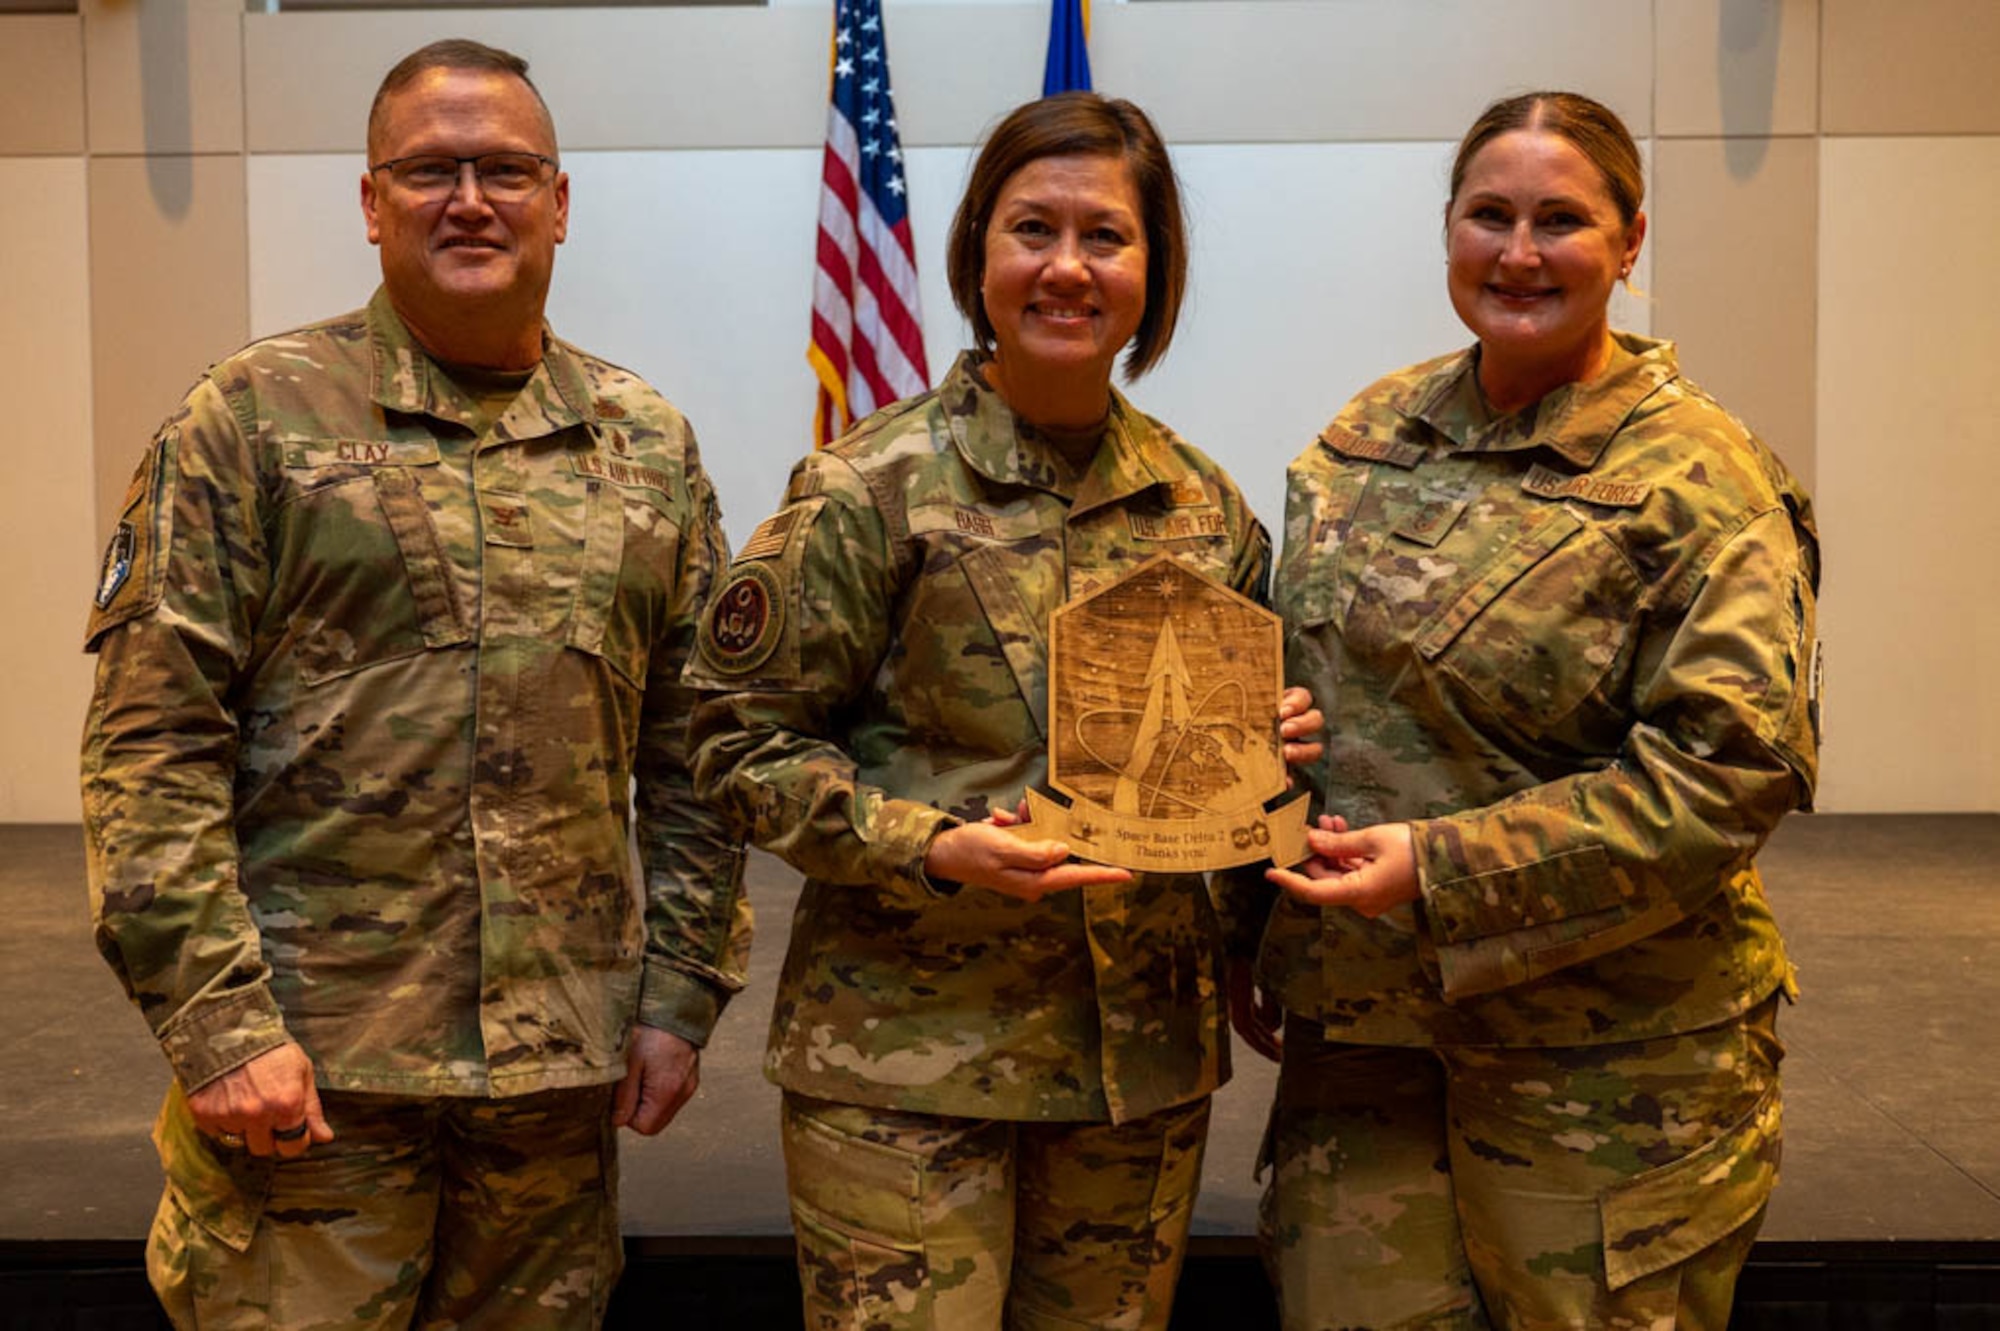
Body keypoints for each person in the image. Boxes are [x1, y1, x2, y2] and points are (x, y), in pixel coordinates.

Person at [80, 38, 748, 1329]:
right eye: (430, 169)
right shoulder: (250, 419)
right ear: (372, 201)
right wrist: (218, 1021)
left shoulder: (645, 443)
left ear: (559, 200)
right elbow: (151, 741)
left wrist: (678, 991)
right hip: (314, 1076)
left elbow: (695, 751)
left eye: (505, 168)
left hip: (554, 1082)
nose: (470, 198)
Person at [686, 92, 1320, 1331]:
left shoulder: (1204, 508)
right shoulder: (869, 486)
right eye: (1033, 229)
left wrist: (1267, 808)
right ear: (979, 253)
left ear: (1154, 269)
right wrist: (926, 845)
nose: (1067, 268)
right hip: (907, 1066)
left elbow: (1237, 793)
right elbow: (732, 739)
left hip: (1133, 1074)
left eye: (1107, 237)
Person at [1233, 89, 1822, 1330]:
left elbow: (1720, 779)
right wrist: (1250, 917)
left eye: (1560, 218)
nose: (1517, 251)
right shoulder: (1363, 437)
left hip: (1608, 1065)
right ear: (1445, 227)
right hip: (1366, 1049)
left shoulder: (1702, 481)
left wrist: (1437, 869)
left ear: (1628, 240)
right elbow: (1302, 698)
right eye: (1487, 213)